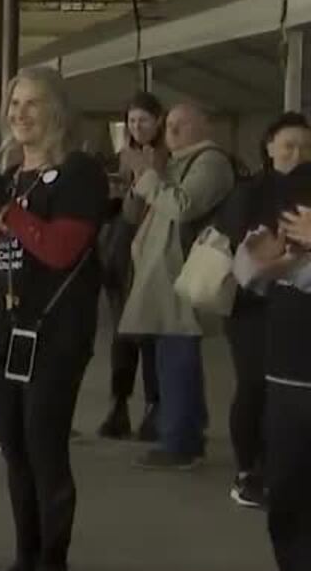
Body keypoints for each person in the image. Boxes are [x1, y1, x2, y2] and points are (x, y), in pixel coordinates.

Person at [0, 67, 107, 571]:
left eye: (32, 103)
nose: (20, 114)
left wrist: (8, 211)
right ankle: (26, 560)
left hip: (54, 332)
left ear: (58, 112)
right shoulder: (11, 177)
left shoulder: (80, 174)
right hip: (5, 329)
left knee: (45, 451)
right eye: (14, 104)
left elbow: (61, 250)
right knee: (14, 449)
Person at [119, 100, 238, 471]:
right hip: (161, 277)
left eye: (180, 125)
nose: (171, 132)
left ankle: (180, 442)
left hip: (181, 275)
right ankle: (185, 433)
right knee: (171, 358)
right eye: (169, 125)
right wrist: (140, 176)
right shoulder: (171, 163)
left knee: (177, 360)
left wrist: (149, 176)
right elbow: (131, 214)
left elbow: (184, 206)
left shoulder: (210, 162)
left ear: (204, 125)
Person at [218, 169, 311, 571]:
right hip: (285, 375)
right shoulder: (286, 207)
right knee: (287, 494)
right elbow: (251, 281)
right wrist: (264, 260)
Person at [219, 114, 311, 509]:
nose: (297, 154)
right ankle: (248, 468)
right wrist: (277, 256)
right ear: (270, 147)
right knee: (254, 385)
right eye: (289, 145)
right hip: (252, 308)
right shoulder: (250, 191)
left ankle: (279, 469)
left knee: (285, 396)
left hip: (295, 309)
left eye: (306, 147)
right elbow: (243, 258)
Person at [96, 93, 165, 441]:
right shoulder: (121, 156)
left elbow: (146, 207)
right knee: (123, 333)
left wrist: (140, 182)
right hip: (121, 251)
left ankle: (155, 406)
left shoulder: (166, 158)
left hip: (153, 250)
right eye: (133, 121)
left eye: (144, 120)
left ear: (159, 121)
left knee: (150, 332)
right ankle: (119, 404)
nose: (138, 127)